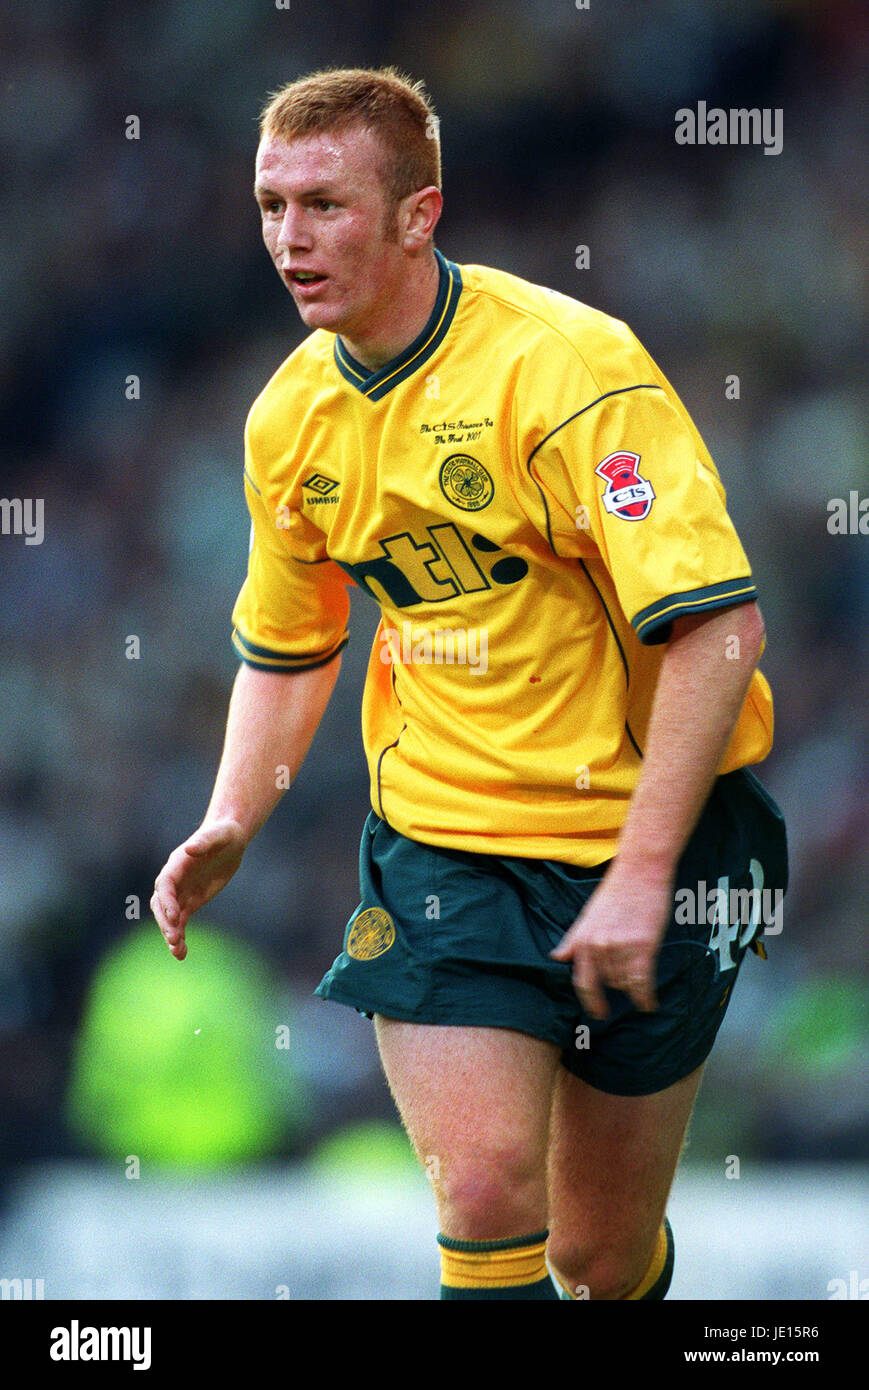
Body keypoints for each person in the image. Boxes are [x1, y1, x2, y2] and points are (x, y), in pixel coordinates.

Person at [151, 66, 788, 1301]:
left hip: (653, 843)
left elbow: (717, 635)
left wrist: (642, 874)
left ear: (417, 215)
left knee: (595, 1257)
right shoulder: (287, 422)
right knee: (489, 1187)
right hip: (447, 849)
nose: (290, 238)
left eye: (325, 204)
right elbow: (289, 646)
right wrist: (234, 813)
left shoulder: (569, 370)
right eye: (270, 204)